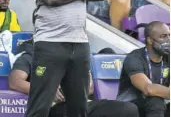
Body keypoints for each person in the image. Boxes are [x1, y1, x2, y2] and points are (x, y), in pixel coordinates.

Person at [8, 39, 140, 117]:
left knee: (130, 109)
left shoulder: (75, 54)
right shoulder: (32, 55)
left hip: (81, 103)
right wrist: (50, 91)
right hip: (54, 107)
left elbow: (90, 88)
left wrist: (82, 88)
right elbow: (15, 82)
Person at [117, 21, 170, 117]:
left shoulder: (168, 58)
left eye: (169, 36)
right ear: (150, 40)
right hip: (131, 106)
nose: (168, 40)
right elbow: (148, 89)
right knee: (155, 100)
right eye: (163, 36)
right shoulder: (134, 58)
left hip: (158, 106)